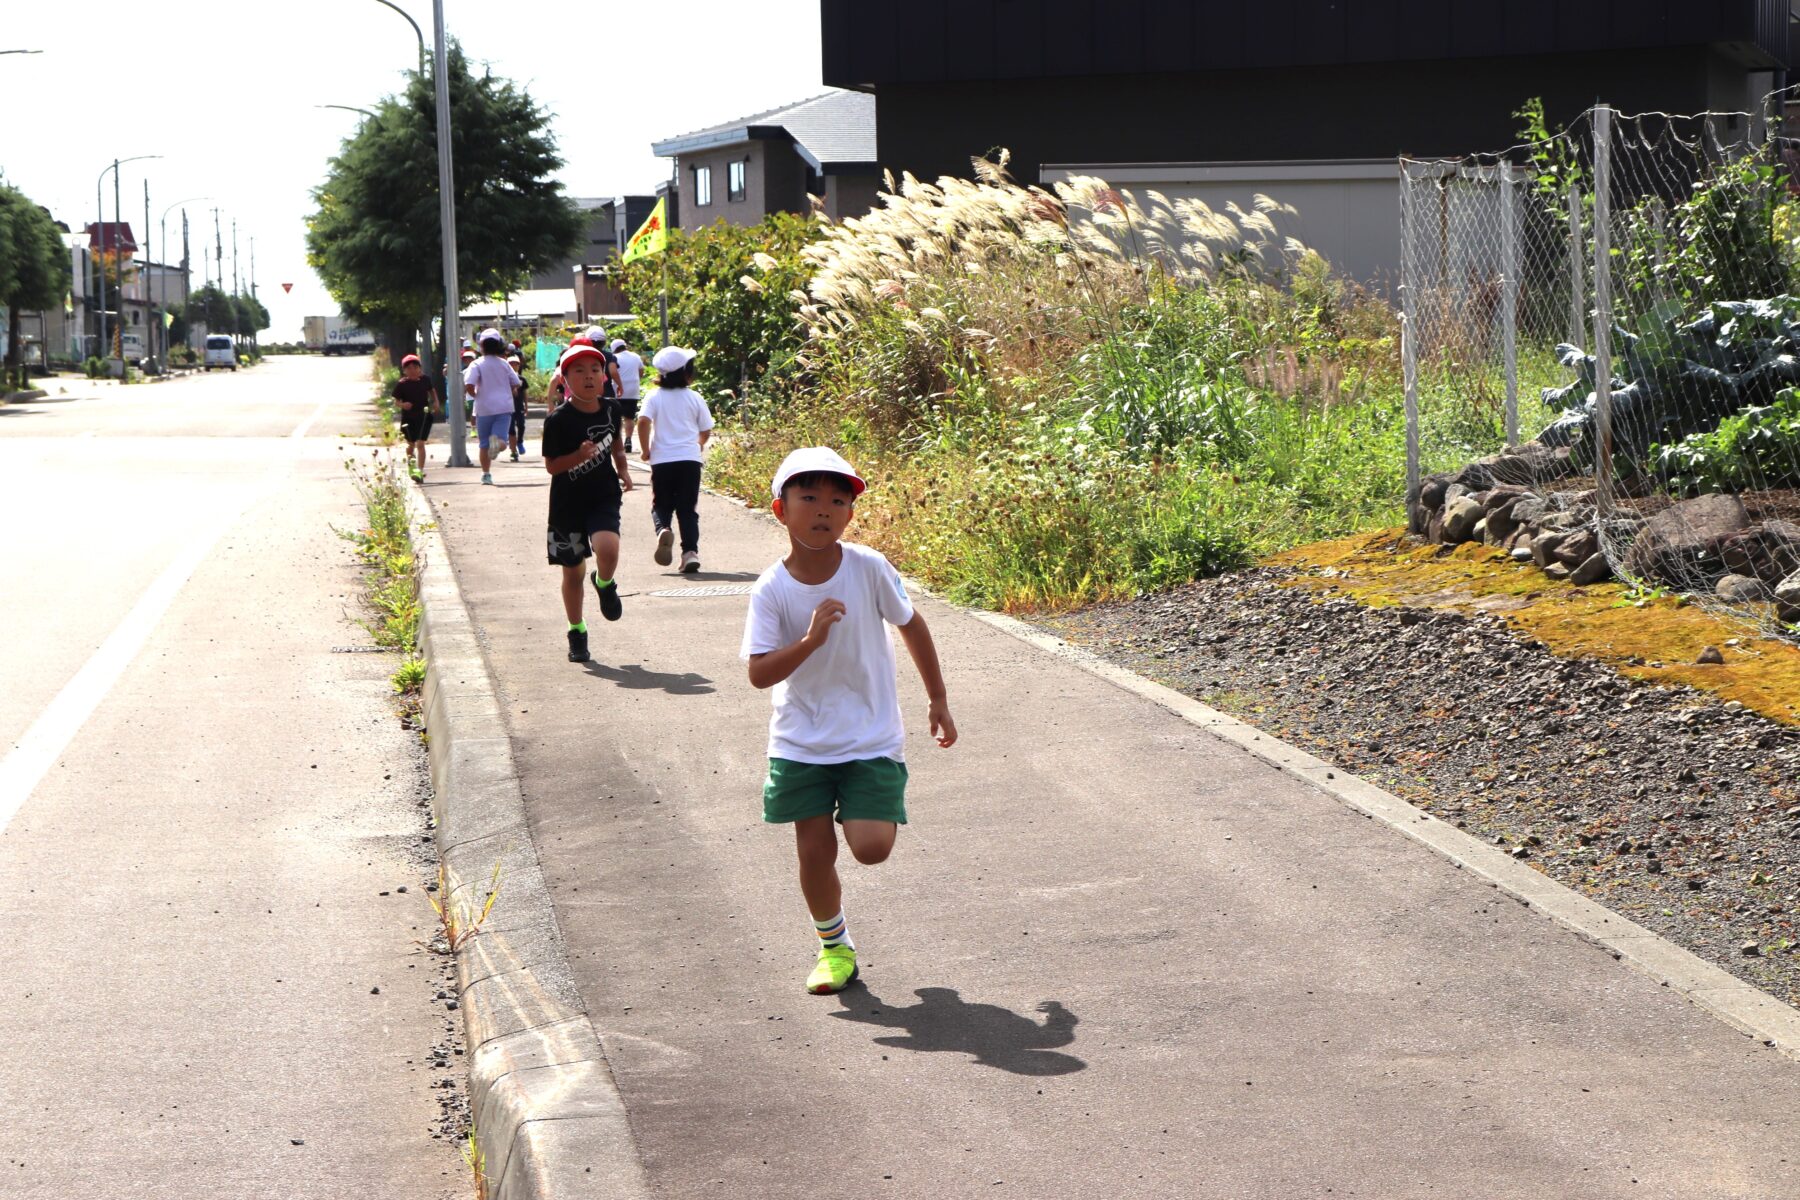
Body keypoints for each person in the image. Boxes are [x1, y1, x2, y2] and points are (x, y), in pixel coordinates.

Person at [741, 447, 958, 995]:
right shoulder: (772, 588)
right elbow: (759, 674)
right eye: (809, 497)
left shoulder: (869, 567)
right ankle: (834, 949)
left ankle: (857, 806)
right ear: (780, 509)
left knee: (871, 848)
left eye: (838, 500)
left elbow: (912, 625)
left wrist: (937, 698)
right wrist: (811, 640)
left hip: (869, 736)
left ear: (851, 515)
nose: (824, 509)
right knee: (814, 852)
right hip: (800, 741)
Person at [542, 342, 633, 663]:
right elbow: (552, 466)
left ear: (605, 377)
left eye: (595, 369)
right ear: (565, 380)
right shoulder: (558, 421)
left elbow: (617, 444)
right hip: (567, 505)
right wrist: (578, 456)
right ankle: (576, 630)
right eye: (578, 371)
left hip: (603, 495)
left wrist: (623, 471)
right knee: (572, 572)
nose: (589, 376)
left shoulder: (612, 409)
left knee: (608, 549)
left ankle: (605, 583)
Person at [636, 346, 714, 573]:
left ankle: (663, 530)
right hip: (689, 460)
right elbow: (706, 429)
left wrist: (645, 450)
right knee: (688, 509)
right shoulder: (695, 397)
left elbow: (643, 422)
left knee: (661, 505)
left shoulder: (654, 396)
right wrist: (697, 445)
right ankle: (689, 553)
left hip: (662, 461)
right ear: (687, 374)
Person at [464, 328, 521, 484]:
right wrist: (509, 391)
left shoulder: (477, 364)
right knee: (501, 440)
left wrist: (476, 395)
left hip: (483, 408)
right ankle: (499, 445)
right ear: (499, 345)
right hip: (504, 407)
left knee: (484, 444)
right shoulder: (504, 364)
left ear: (481, 345)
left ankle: (486, 474)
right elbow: (515, 383)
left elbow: (469, 384)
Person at [392, 353, 439, 479]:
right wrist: (403, 405)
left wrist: (435, 402)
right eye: (409, 368)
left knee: (420, 444)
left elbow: (431, 391)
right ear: (404, 371)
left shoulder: (425, 380)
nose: (412, 370)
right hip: (408, 418)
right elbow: (395, 401)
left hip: (423, 417)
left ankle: (420, 470)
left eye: (415, 367)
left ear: (420, 368)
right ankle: (412, 467)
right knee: (410, 445)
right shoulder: (402, 384)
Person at [611, 337, 644, 452]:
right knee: (629, 417)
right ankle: (628, 439)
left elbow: (612, 372)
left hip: (617, 391)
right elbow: (641, 371)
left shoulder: (614, 357)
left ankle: (618, 440)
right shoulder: (636, 356)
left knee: (617, 417)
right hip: (633, 391)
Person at [506, 351, 529, 462]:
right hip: (508, 407)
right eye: (511, 364)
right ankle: (513, 452)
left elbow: (524, 393)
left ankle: (520, 441)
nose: (513, 366)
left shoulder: (522, 379)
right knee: (511, 430)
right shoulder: (504, 379)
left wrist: (526, 406)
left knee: (521, 425)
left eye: (516, 364)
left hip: (519, 406)